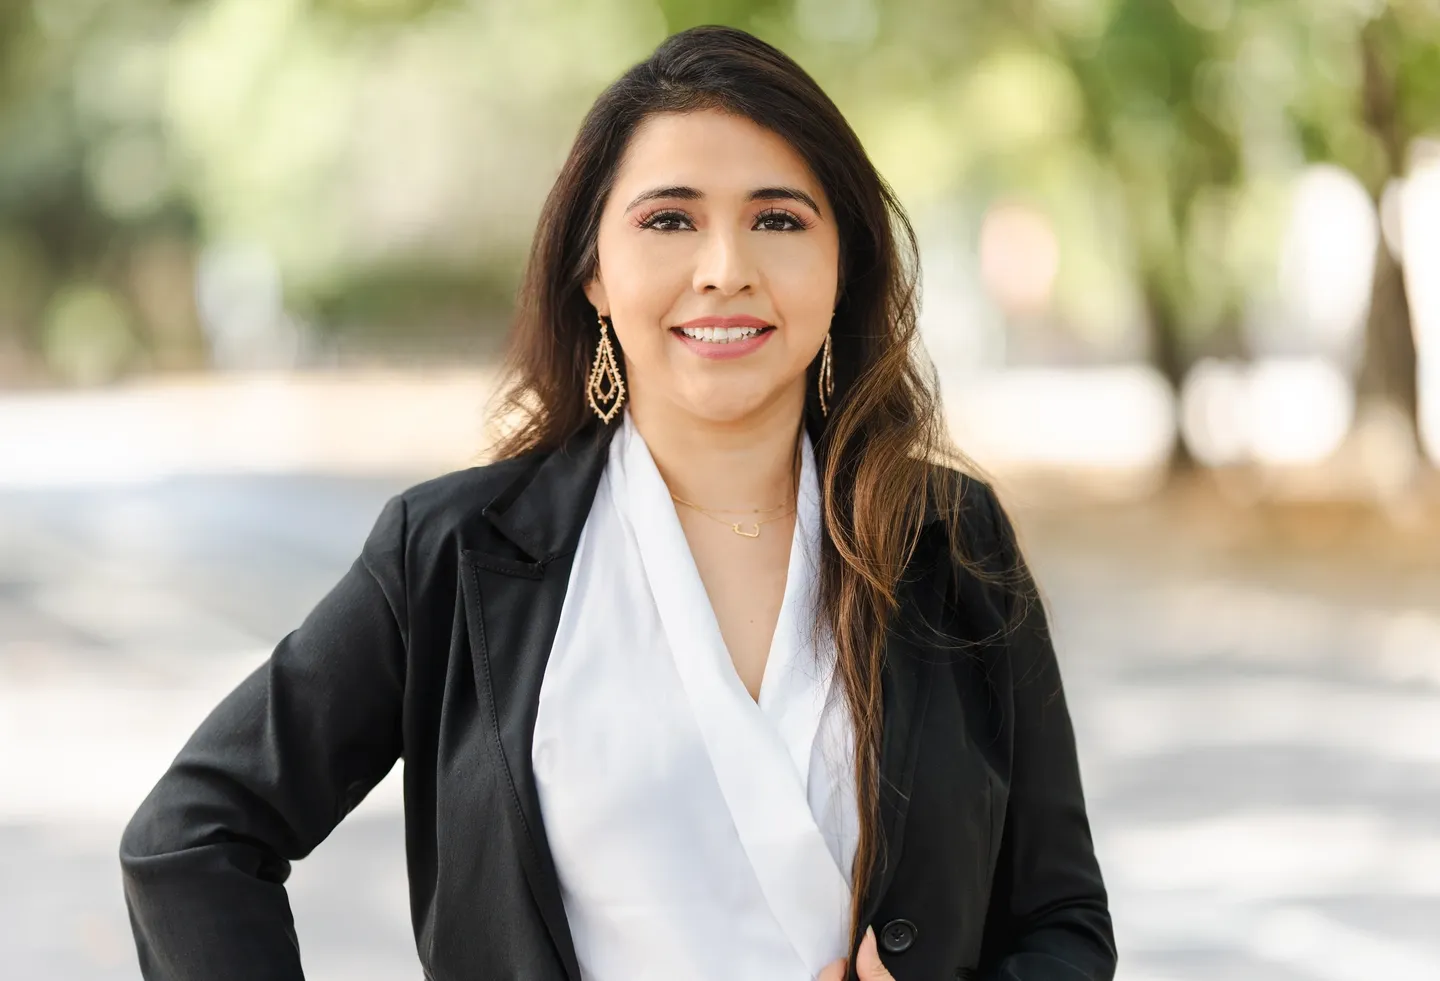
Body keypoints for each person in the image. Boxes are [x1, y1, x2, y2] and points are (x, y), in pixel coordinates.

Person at [119, 25, 1115, 981]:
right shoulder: (456, 553)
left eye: (778, 219)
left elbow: (1061, 922)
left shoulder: (946, 539)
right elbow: (193, 839)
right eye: (668, 220)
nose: (725, 267)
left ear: (841, 263)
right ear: (592, 270)